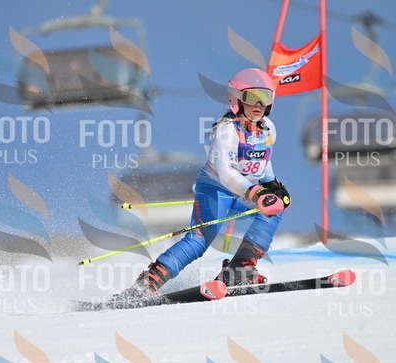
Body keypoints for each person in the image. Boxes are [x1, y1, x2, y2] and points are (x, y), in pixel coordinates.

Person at [115, 68, 291, 300]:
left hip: (246, 192)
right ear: (237, 99)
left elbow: (262, 161)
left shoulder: (268, 129)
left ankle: (240, 269)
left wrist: (273, 185)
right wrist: (257, 193)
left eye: (265, 97)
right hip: (216, 190)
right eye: (252, 97)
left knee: (273, 210)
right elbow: (226, 173)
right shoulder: (226, 131)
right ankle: (148, 282)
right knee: (198, 241)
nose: (259, 104)